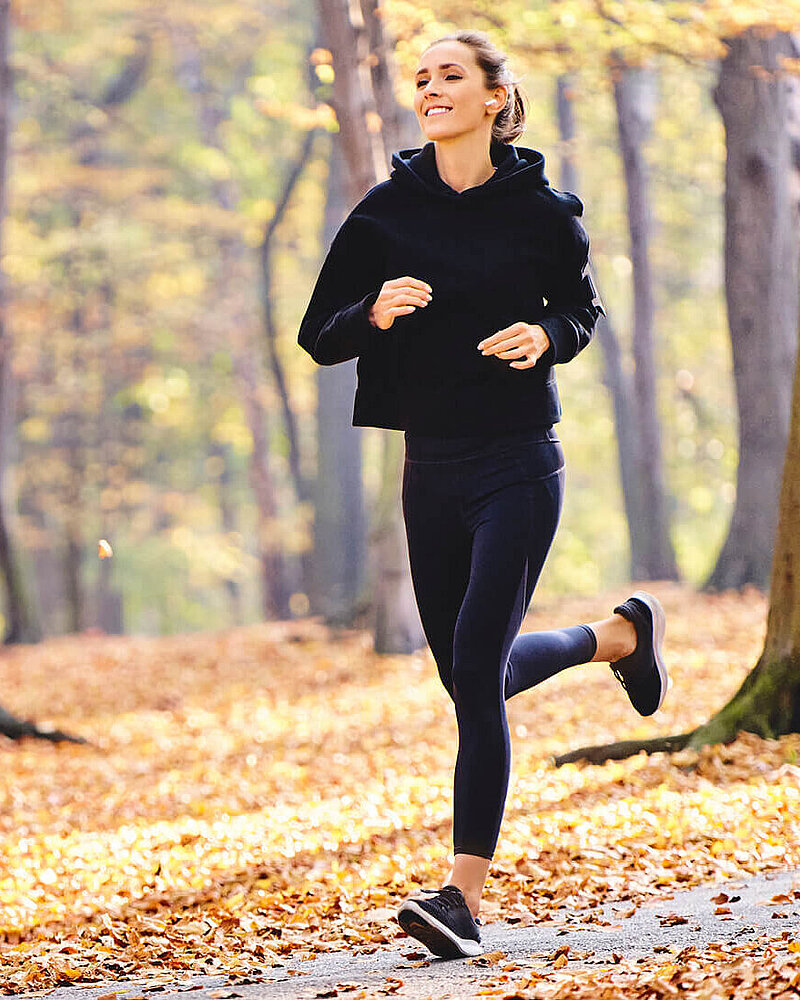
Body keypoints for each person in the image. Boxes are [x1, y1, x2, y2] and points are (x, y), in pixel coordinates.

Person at [298, 28, 670, 960]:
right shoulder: (386, 212)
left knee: (475, 672)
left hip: (517, 463)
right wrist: (372, 311)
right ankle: (614, 636)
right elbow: (318, 333)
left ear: (496, 97)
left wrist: (547, 336)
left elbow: (579, 307)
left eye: (449, 76)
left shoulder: (542, 210)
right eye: (421, 79)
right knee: (474, 679)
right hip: (430, 470)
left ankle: (461, 897)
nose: (429, 90)